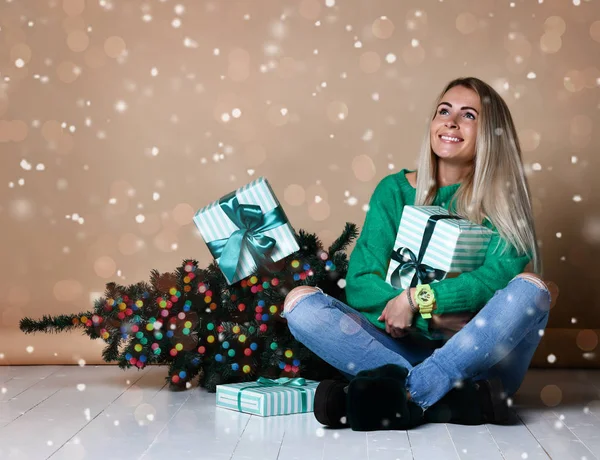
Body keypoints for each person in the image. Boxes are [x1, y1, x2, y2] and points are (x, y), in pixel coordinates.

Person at [282, 77, 559, 431]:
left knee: (532, 288)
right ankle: (457, 400)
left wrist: (418, 301)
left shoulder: (504, 205)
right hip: (398, 349)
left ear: (492, 134)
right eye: (444, 111)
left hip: (476, 355)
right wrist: (420, 316)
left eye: (469, 115)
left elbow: (493, 284)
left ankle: (392, 396)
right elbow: (361, 283)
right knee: (300, 303)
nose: (451, 122)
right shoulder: (394, 191)